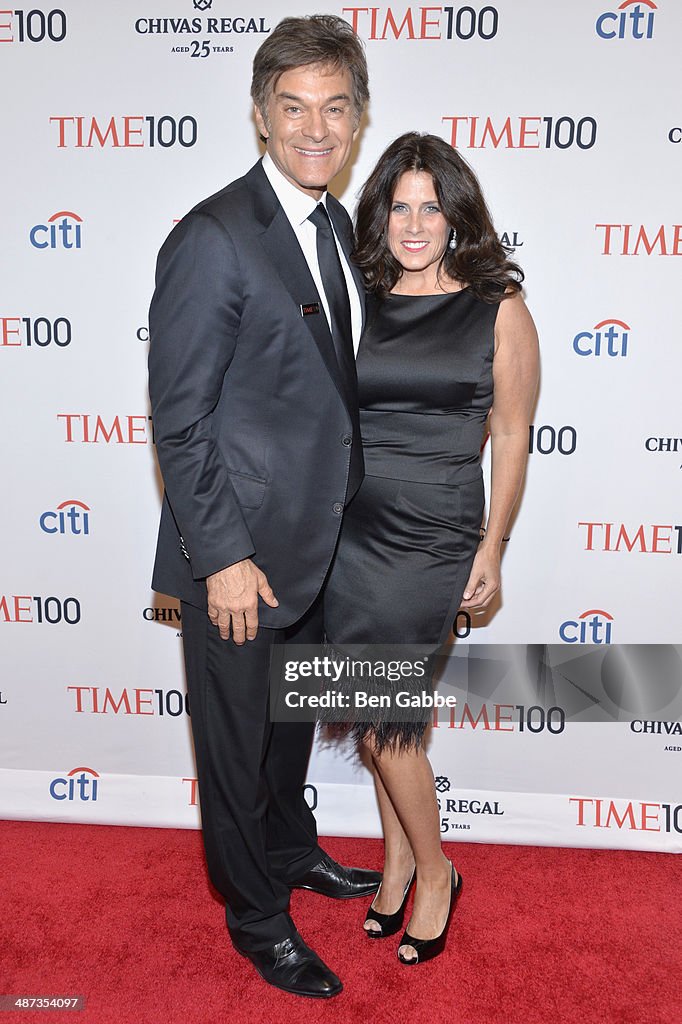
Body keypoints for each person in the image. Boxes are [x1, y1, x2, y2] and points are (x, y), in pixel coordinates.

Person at [147, 15, 381, 1000]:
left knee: (289, 729)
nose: (314, 128)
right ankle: (255, 917)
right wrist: (223, 555)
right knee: (237, 745)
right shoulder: (214, 236)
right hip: (241, 554)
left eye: (334, 108)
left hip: (323, 545)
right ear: (258, 117)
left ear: (360, 119)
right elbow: (181, 417)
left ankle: (293, 851)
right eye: (293, 108)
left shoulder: (339, 229)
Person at [323, 132, 539, 964]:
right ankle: (397, 861)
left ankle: (438, 871)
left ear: (457, 215)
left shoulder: (499, 308)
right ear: (381, 214)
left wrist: (494, 550)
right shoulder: (358, 294)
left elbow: (512, 436)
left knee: (386, 725)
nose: (415, 223)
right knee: (379, 712)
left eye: (432, 206)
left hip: (438, 532)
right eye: (400, 206)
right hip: (351, 532)